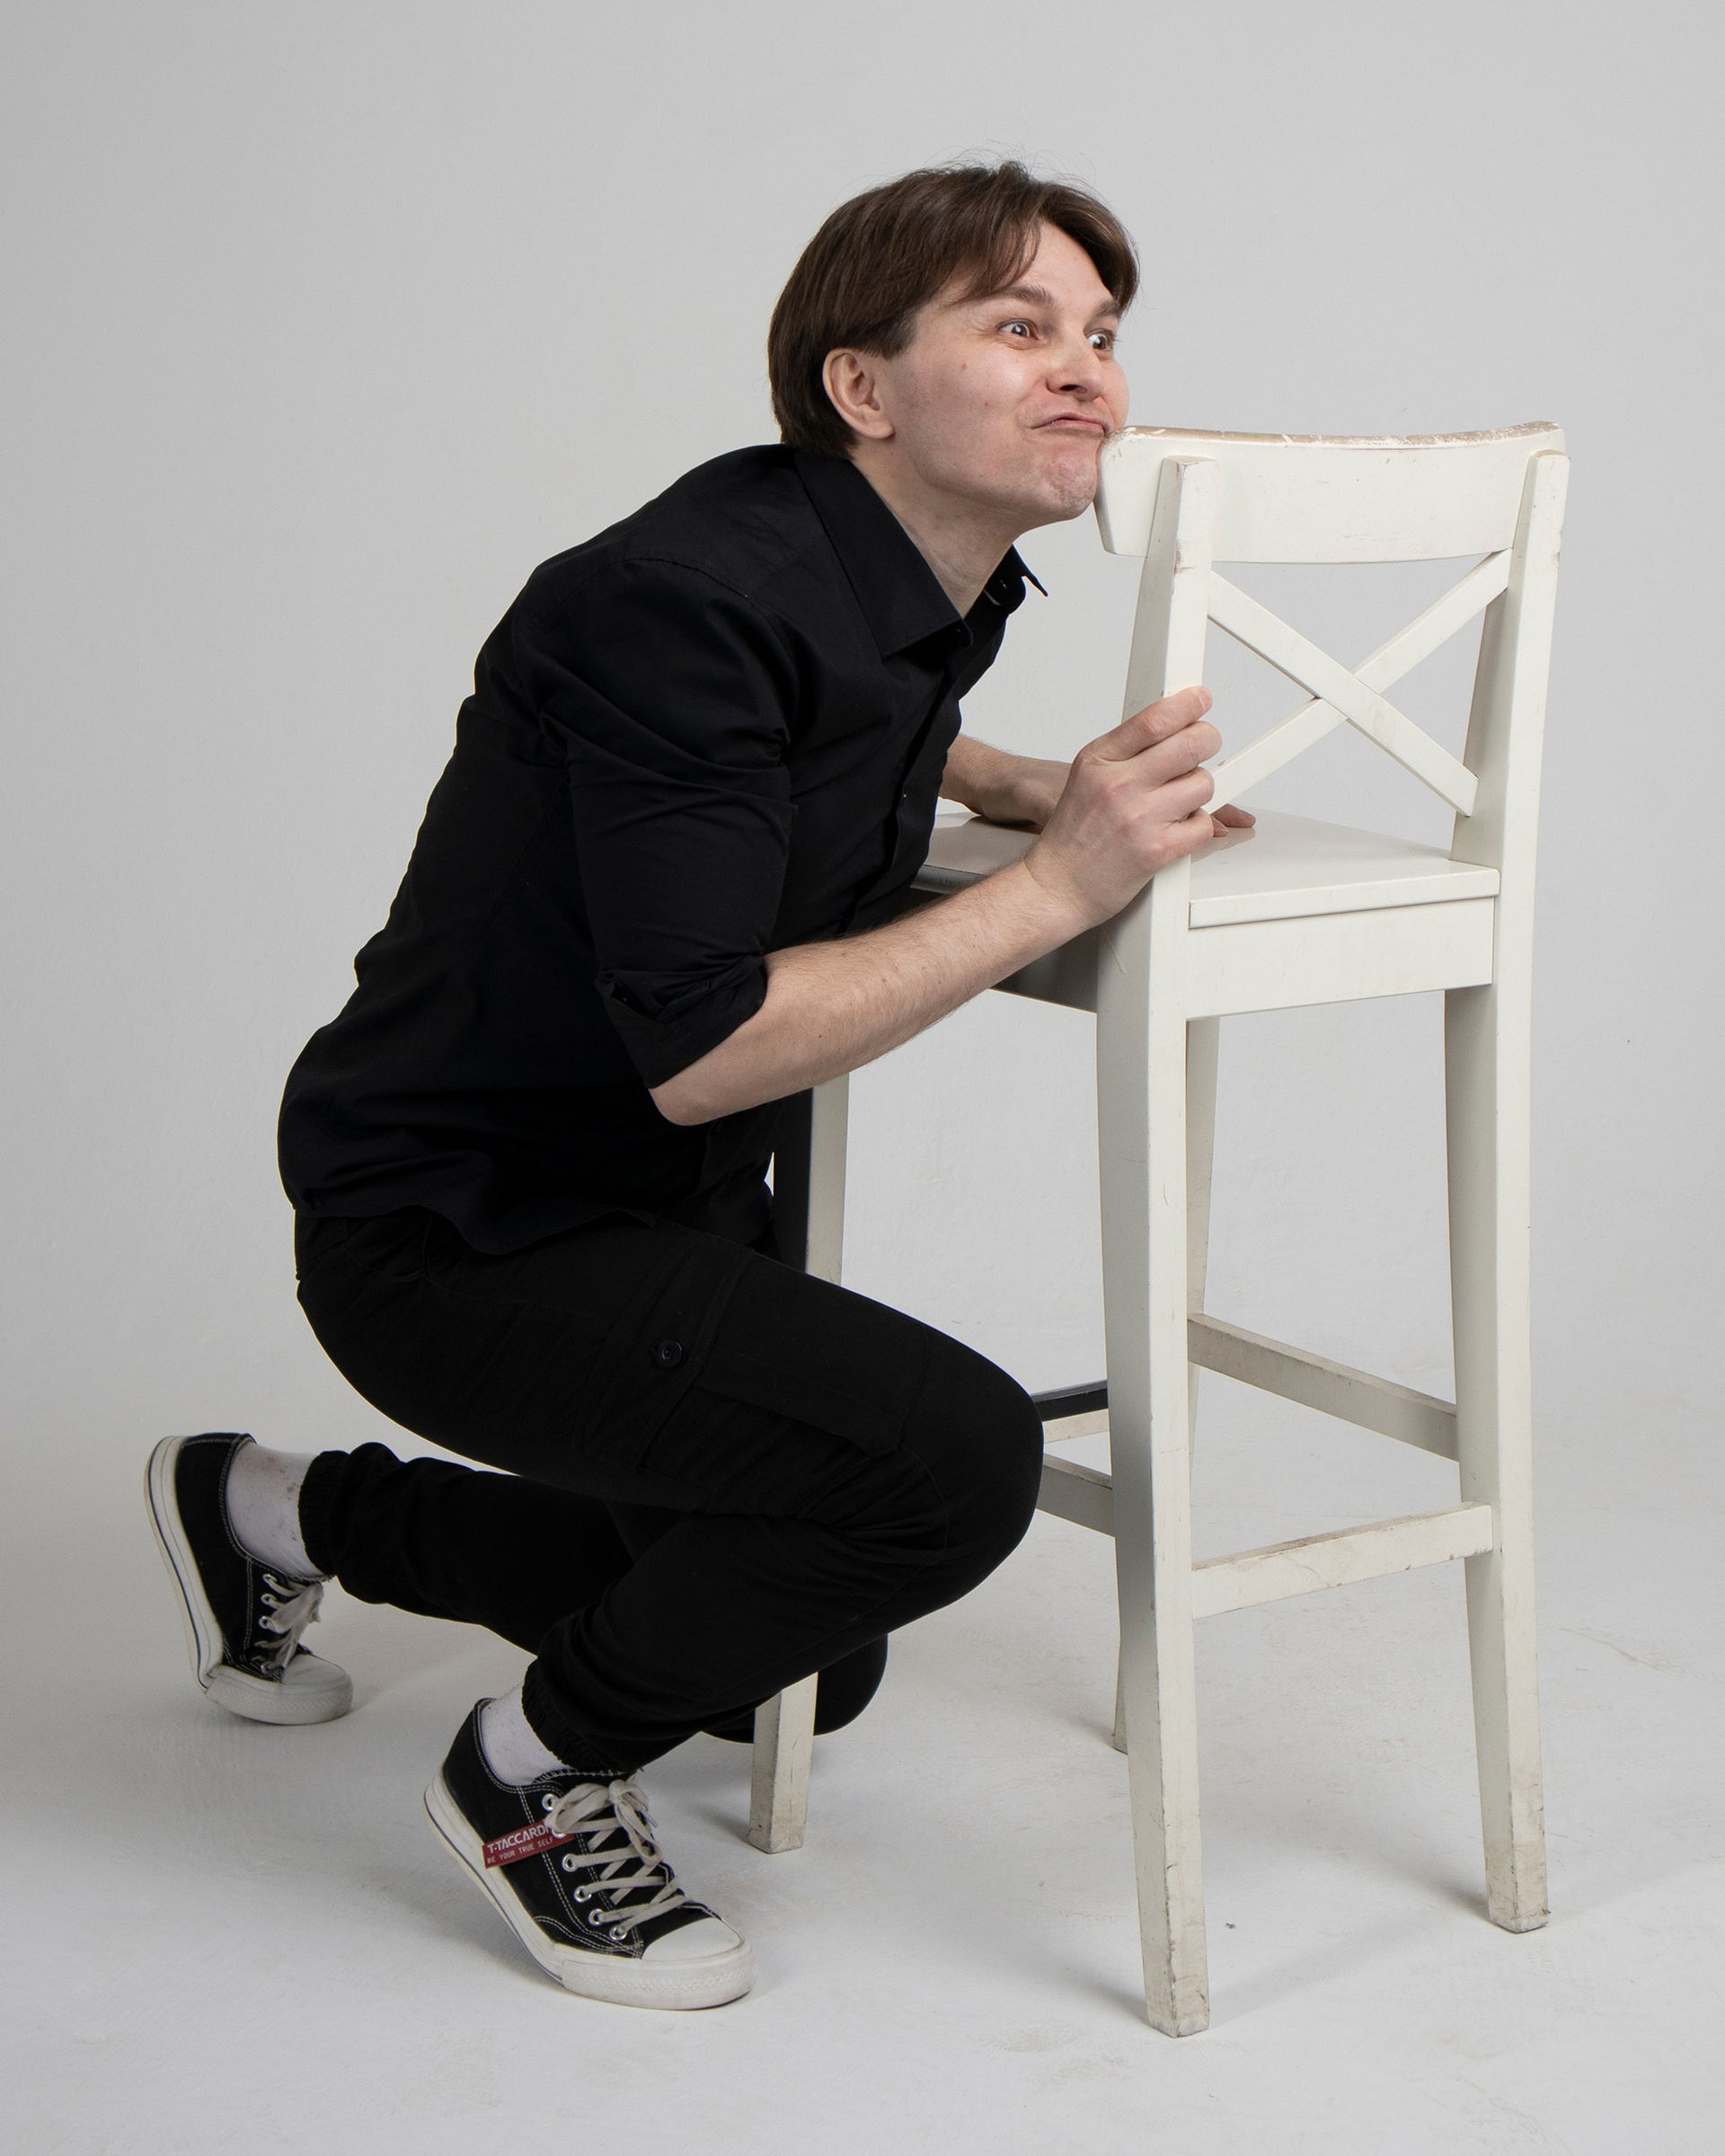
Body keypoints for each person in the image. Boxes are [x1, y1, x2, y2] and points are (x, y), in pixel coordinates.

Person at [144, 159, 1250, 2013]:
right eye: (1019, 326)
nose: (1088, 372)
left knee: (806, 1663)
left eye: (1102, 332)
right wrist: (1062, 885)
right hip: (462, 1233)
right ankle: (526, 1777)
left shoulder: (904, 572)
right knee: (947, 1468)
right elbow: (707, 1045)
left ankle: (271, 1511)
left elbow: (851, 720)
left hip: (651, 1211)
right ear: (862, 388)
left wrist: (1005, 782)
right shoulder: (679, 602)